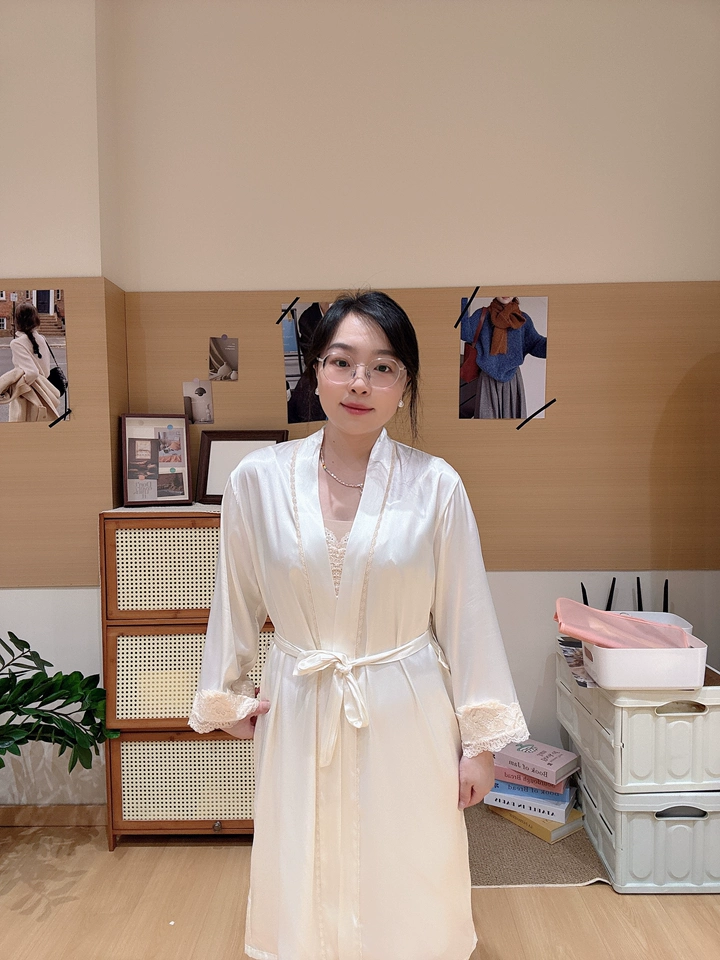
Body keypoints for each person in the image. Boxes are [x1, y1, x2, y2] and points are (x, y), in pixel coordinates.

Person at [189, 290, 528, 960]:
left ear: (405, 386)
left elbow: (466, 614)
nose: (359, 383)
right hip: (300, 698)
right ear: (315, 371)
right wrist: (225, 693)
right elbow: (234, 594)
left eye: (383, 367)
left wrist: (481, 744)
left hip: (406, 704)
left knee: (407, 857)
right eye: (342, 362)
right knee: (304, 854)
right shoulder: (257, 480)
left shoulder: (437, 485)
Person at [460, 295, 547, 419]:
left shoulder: (522, 319)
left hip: (512, 381)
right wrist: (462, 298)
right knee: (486, 427)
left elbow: (536, 344)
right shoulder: (482, 315)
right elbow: (465, 333)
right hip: (487, 380)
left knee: (512, 426)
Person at [7, 303, 60, 421]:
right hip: (44, 391)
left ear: (17, 320)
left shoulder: (17, 343)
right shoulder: (42, 338)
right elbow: (44, 370)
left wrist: (16, 388)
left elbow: (32, 373)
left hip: (28, 395)